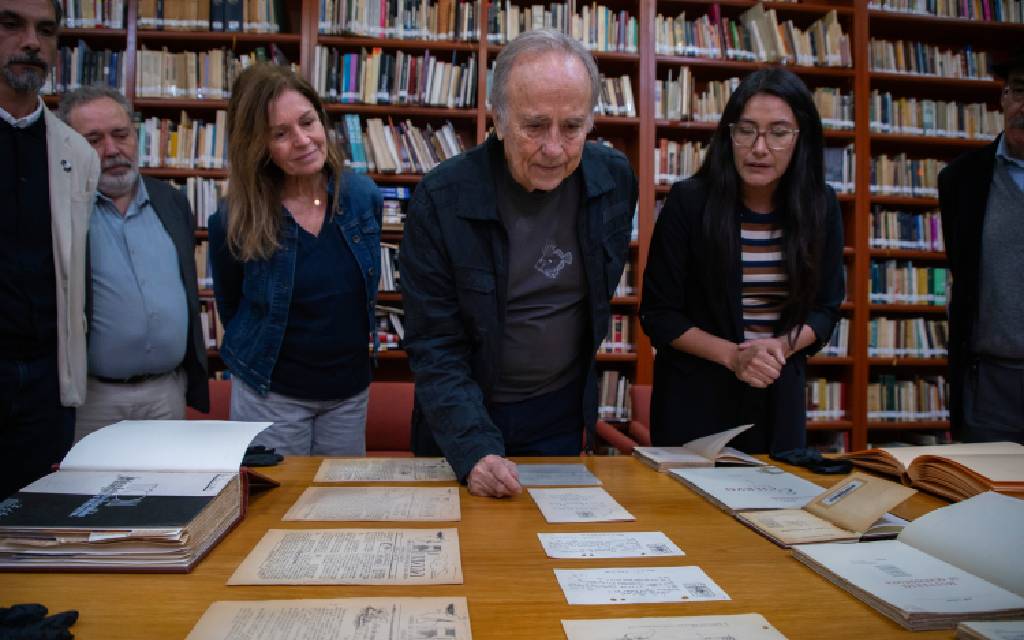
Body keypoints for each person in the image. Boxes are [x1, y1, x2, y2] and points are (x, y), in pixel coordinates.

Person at [400, 29, 638, 498]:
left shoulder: (613, 180)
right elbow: (435, 345)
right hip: (463, 414)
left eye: (572, 127)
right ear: (499, 119)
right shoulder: (442, 199)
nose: (554, 149)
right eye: (534, 126)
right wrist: (474, 449)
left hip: (560, 412)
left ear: (591, 121)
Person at [639, 68, 844, 455]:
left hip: (777, 396)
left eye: (778, 132)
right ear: (729, 135)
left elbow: (826, 309)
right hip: (695, 401)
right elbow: (659, 314)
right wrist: (735, 356)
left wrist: (778, 349)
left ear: (801, 139)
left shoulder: (821, 207)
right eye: (747, 130)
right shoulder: (689, 203)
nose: (760, 147)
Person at [209, 64, 381, 456]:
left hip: (348, 394)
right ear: (259, 145)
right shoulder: (234, 219)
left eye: (308, 122)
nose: (303, 141)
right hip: (272, 394)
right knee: (274, 511)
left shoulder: (362, 196)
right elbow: (232, 307)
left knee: (337, 510)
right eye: (280, 134)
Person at [58, 86, 209, 441]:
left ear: (136, 134)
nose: (112, 150)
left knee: (168, 494)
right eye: (93, 139)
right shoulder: (61, 209)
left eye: (120, 134)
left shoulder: (171, 201)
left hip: (167, 394)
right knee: (90, 496)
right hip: (93, 399)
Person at [0, 0, 99, 498]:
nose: (32, 42)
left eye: (46, 30)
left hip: (46, 384)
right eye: (10, 24)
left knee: (37, 539)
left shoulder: (77, 153)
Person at [938, 47, 1024, 444]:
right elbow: (963, 269)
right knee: (988, 499)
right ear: (1004, 98)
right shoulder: (961, 179)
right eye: (1020, 91)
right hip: (988, 383)